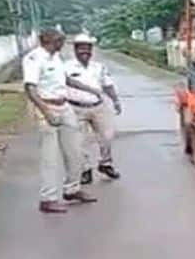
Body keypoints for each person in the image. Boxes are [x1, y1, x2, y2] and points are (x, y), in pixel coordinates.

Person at [23, 30, 99, 213]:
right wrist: (45, 112)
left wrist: (90, 89)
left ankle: (72, 189)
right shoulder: (34, 59)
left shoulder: (56, 58)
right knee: (49, 157)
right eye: (60, 40)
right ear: (49, 41)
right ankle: (48, 199)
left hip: (64, 106)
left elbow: (65, 80)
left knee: (75, 151)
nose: (62, 44)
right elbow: (30, 89)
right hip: (46, 106)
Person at [65, 34, 122, 185]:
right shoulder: (66, 67)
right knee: (79, 142)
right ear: (75, 50)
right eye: (81, 48)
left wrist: (115, 100)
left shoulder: (99, 67)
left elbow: (107, 85)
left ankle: (105, 164)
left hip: (98, 106)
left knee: (107, 137)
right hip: (75, 107)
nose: (85, 51)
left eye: (88, 48)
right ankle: (85, 170)